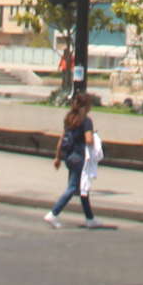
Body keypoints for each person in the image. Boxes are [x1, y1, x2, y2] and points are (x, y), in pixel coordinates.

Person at [44, 92, 99, 228]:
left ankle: (90, 219)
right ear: (86, 106)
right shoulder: (86, 121)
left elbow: (62, 138)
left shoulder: (69, 118)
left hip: (69, 156)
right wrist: (95, 138)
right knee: (74, 187)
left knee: (82, 188)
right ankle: (53, 213)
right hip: (80, 158)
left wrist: (57, 157)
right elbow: (88, 140)